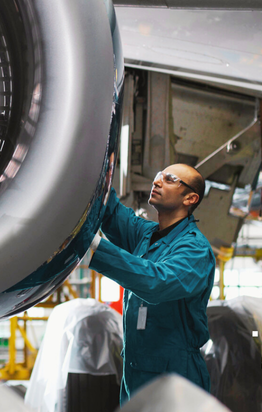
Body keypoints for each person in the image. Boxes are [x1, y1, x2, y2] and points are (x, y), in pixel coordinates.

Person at [83, 163, 215, 403]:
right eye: (157, 176)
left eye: (170, 179)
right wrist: (95, 167)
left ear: (190, 198)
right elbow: (110, 213)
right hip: (135, 373)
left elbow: (157, 282)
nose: (157, 182)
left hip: (176, 377)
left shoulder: (195, 249)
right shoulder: (145, 234)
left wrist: (95, 249)